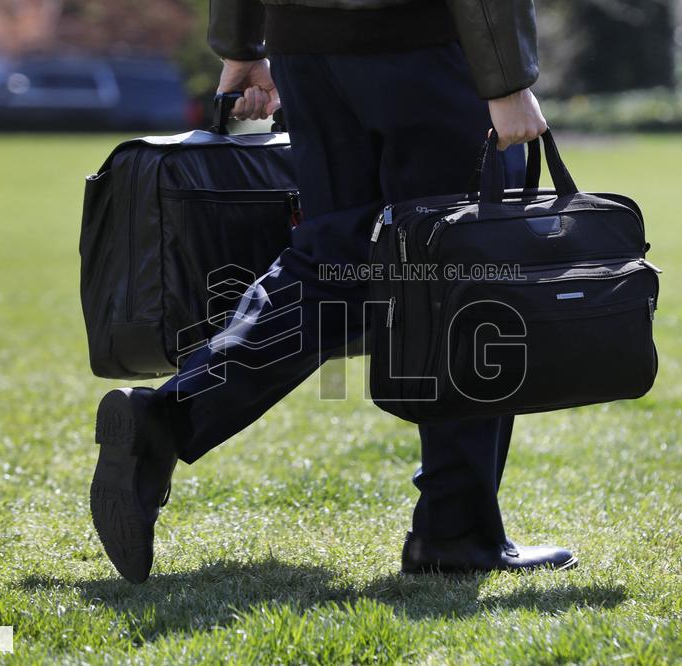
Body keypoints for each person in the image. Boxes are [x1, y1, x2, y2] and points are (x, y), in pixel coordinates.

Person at [89, 0, 578, 584]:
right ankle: (456, 532)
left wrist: (241, 45)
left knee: (332, 264)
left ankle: (168, 419)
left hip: (306, 52)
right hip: (424, 45)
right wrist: (507, 81)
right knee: (463, 271)